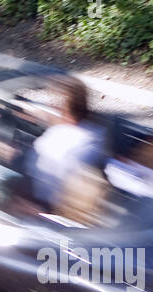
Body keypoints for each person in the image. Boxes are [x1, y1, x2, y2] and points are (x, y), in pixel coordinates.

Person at [25, 77, 108, 212]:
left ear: (66, 113)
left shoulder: (66, 145)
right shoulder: (91, 132)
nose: (49, 109)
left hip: (47, 208)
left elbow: (37, 176)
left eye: (53, 106)